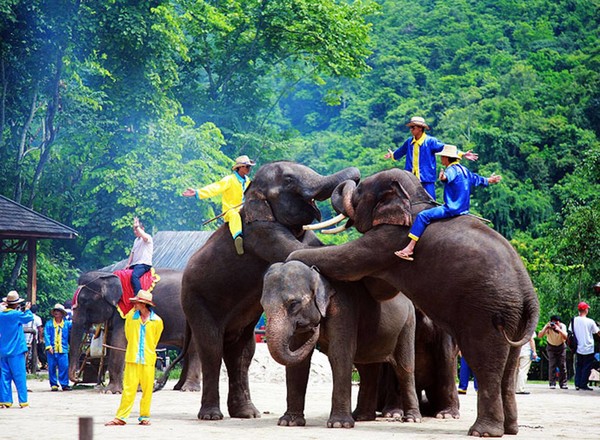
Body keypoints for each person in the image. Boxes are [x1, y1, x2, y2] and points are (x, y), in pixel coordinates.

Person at [395, 144, 502, 260]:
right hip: (463, 209)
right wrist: (490, 180)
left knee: (422, 216)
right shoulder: (464, 170)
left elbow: (448, 176)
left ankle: (409, 248)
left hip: (451, 209)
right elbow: (477, 179)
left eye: (442, 157)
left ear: (446, 158)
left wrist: (443, 177)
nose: (441, 159)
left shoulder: (451, 170)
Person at [105, 290, 164, 426]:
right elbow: (128, 335)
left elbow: (155, 340)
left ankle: (144, 416)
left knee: (147, 389)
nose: (134, 304)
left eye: (137, 302)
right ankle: (121, 417)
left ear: (144, 304)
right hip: (132, 358)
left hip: (148, 359)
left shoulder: (157, 321)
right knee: (129, 388)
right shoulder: (131, 318)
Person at [384, 116, 478, 200]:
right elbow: (400, 152)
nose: (411, 130)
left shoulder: (430, 141)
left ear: (420, 128)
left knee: (430, 202)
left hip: (426, 179)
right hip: (410, 178)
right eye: (410, 127)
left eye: (413, 127)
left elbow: (444, 148)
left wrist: (462, 154)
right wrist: (392, 155)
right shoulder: (409, 142)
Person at [182, 155, 255, 255]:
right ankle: (238, 237)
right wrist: (197, 193)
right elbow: (215, 188)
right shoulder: (229, 180)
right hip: (230, 210)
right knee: (235, 215)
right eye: (247, 167)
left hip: (245, 209)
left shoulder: (248, 182)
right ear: (240, 167)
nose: (249, 169)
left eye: (250, 167)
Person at [0, 291, 34, 408]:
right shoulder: (16, 314)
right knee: (19, 376)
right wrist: (28, 309)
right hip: (16, 350)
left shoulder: (1, 315)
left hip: (3, 350)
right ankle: (23, 401)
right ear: (15, 304)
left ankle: (5, 401)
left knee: (4, 377)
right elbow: (29, 317)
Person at [569, 302, 600, 391]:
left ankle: (577, 384)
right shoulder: (590, 321)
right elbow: (596, 332)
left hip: (578, 347)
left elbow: (570, 332)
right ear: (585, 310)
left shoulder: (573, 320)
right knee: (587, 367)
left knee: (579, 365)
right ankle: (583, 384)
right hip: (589, 347)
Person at [44, 303, 72, 391]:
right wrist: (48, 346)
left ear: (62, 313)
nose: (56, 313)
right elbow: (46, 335)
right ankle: (53, 384)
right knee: (51, 367)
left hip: (63, 349)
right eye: (55, 311)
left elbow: (74, 328)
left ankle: (64, 384)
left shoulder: (67, 324)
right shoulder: (49, 324)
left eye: (58, 311)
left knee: (64, 366)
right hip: (52, 349)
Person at [538, 315, 568, 389]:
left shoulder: (562, 326)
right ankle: (552, 383)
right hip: (551, 346)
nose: (554, 325)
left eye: (556, 323)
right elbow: (540, 336)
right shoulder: (548, 327)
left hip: (561, 346)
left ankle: (563, 383)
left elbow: (566, 337)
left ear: (559, 322)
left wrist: (559, 329)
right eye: (553, 323)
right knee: (552, 365)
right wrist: (546, 328)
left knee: (562, 365)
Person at [127, 216, 153, 295]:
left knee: (134, 276)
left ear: (143, 229)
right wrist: (128, 264)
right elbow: (132, 253)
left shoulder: (147, 237)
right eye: (134, 230)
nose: (135, 231)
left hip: (144, 264)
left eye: (136, 229)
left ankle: (139, 296)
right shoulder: (136, 240)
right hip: (135, 264)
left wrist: (137, 226)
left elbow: (144, 237)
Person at [23, 304, 44, 372]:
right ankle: (33, 366)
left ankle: (28, 365)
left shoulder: (23, 316)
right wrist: (41, 338)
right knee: (33, 352)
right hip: (32, 338)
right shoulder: (37, 318)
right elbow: (40, 329)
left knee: (26, 353)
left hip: (23, 338)